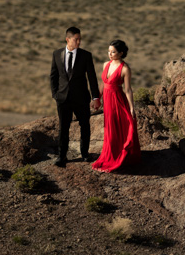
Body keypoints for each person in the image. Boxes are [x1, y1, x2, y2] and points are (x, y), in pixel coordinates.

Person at [50, 27, 101, 166]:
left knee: (84, 126)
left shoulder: (86, 55)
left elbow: (92, 78)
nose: (78, 42)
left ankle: (85, 154)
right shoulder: (56, 54)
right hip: (63, 98)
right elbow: (53, 76)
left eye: (80, 39)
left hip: (81, 98)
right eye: (76, 39)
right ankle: (62, 156)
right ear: (68, 39)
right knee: (63, 128)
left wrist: (95, 97)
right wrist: (55, 94)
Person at [92, 39, 141, 172]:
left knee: (117, 128)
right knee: (109, 128)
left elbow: (128, 89)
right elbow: (103, 83)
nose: (110, 54)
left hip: (117, 100)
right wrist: (97, 99)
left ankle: (119, 156)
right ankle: (110, 154)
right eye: (109, 51)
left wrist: (131, 107)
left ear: (121, 53)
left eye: (113, 52)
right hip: (107, 100)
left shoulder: (125, 69)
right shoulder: (105, 64)